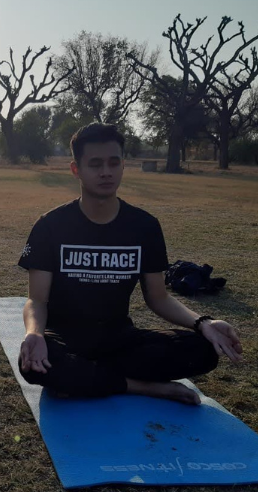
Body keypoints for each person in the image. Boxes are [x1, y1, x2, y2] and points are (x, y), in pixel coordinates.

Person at [18, 123, 243, 405]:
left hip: (120, 340)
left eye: (114, 163)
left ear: (123, 165)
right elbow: (36, 300)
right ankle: (142, 387)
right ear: (76, 169)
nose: (106, 172)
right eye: (95, 164)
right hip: (65, 339)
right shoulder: (50, 225)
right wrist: (34, 334)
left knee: (204, 350)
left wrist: (203, 323)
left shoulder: (144, 226)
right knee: (33, 362)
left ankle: (88, 380)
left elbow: (158, 298)